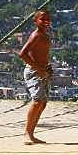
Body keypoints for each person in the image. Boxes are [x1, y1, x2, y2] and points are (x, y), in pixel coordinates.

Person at [18, 9, 53, 145]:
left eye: (47, 19)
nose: (45, 22)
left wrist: (47, 68)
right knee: (38, 101)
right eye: (42, 19)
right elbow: (23, 54)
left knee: (43, 103)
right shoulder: (36, 35)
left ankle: (31, 134)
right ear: (35, 21)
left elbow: (42, 54)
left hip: (43, 71)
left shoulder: (45, 35)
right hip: (34, 72)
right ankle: (27, 133)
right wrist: (38, 68)